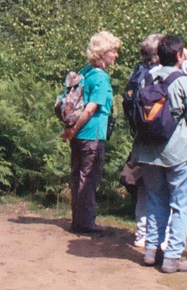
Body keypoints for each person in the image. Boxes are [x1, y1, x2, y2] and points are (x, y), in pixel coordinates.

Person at [133, 34, 187, 273]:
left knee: (155, 200)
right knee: (182, 204)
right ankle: (172, 257)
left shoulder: (146, 77)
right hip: (179, 151)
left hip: (148, 151)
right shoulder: (184, 81)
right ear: (178, 55)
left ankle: (151, 251)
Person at [60, 30, 121, 235]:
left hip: (79, 135)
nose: (116, 55)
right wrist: (73, 129)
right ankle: (86, 222)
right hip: (92, 134)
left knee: (78, 176)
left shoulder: (84, 71)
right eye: (113, 51)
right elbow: (91, 108)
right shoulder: (101, 78)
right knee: (89, 177)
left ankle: (79, 220)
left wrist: (70, 129)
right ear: (103, 53)